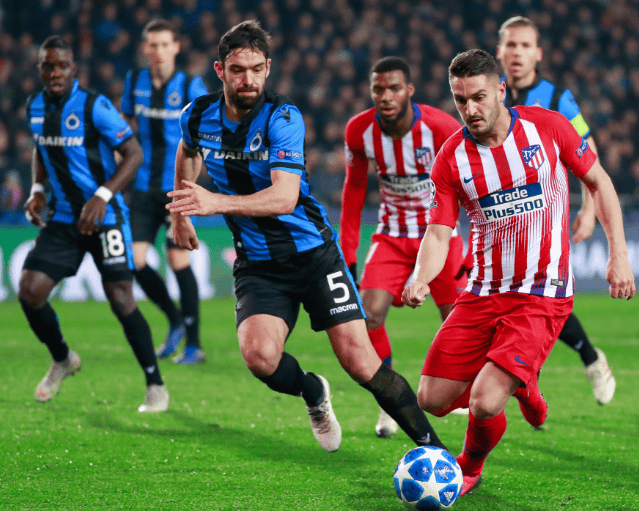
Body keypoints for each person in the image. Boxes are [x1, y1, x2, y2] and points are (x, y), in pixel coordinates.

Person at [166, 20, 448, 452]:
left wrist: (213, 202)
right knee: (260, 358)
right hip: (258, 263)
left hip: (313, 255)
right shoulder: (198, 115)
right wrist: (180, 215)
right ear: (220, 71)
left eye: (257, 69)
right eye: (238, 70)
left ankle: (438, 453)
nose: (248, 79)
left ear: (268, 68)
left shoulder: (282, 117)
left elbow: (284, 198)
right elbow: (187, 151)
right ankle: (313, 391)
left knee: (361, 363)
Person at [402, 49, 634, 496]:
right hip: (482, 293)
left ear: (501, 91)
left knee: (485, 400)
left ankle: (469, 468)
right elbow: (438, 234)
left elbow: (599, 181)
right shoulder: (451, 158)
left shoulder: (547, 127)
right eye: (460, 99)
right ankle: (523, 384)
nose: (469, 109)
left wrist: (618, 255)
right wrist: (420, 278)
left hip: (542, 295)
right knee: (431, 400)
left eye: (478, 97)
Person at [20, 35, 169, 412]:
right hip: (63, 218)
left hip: (106, 217)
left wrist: (102, 195)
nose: (55, 72)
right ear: (40, 70)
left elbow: (133, 153)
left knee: (121, 298)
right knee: (30, 291)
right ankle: (62, 358)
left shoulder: (93, 106)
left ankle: (155, 383)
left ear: (74, 70)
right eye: (48, 66)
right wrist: (37, 189)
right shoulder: (34, 106)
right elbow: (41, 148)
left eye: (62, 66)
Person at [493, 16, 617, 405]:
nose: (517, 52)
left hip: (545, 216)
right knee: (502, 301)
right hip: (501, 217)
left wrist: (589, 208)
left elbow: (587, 150)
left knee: (539, 298)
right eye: (511, 45)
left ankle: (584, 361)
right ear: (500, 51)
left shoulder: (557, 98)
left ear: (538, 54)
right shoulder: (490, 95)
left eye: (525, 45)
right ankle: (574, 364)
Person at [341, 56, 466, 438]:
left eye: (394, 88)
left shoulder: (442, 127)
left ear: (409, 90)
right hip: (391, 237)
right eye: (378, 89)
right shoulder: (359, 130)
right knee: (368, 316)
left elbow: (471, 182)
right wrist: (348, 254)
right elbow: (354, 190)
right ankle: (390, 399)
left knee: (457, 321)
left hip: (440, 236)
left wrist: (477, 240)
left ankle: (463, 392)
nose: (385, 96)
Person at [121, 19, 209, 365]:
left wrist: (189, 190)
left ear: (176, 47)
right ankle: (175, 321)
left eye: (164, 44)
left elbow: (201, 140)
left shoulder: (190, 86)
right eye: (153, 45)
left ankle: (194, 345)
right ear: (146, 49)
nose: (158, 51)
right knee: (134, 260)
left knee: (178, 260)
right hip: (143, 188)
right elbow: (126, 131)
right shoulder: (134, 82)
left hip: (177, 189)